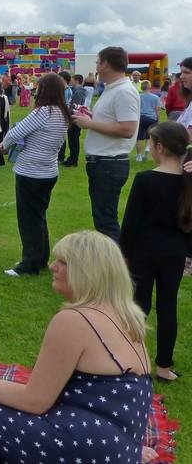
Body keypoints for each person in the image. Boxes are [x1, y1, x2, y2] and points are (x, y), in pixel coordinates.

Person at [0, 231, 152, 464]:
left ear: (86, 271)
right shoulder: (128, 319)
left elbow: (35, 401)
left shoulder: (74, 320)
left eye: (63, 262)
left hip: (86, 446)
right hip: (121, 450)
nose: (51, 266)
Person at [120, 121, 190, 383]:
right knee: (167, 305)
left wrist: (124, 253)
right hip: (174, 252)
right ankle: (163, 366)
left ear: (159, 147)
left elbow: (130, 222)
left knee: (139, 305)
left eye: (151, 144)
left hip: (144, 251)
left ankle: (133, 360)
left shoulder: (146, 180)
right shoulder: (186, 182)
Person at [0, 73, 71, 276]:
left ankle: (29, 263)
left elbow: (16, 132)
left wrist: (4, 145)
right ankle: (40, 258)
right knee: (39, 217)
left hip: (31, 171)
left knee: (28, 220)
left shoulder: (43, 112)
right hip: (48, 171)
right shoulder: (62, 113)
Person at [74, 47, 140, 241]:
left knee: (106, 222)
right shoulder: (112, 89)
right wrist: (91, 116)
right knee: (102, 218)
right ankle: (112, 265)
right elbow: (113, 120)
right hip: (102, 163)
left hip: (109, 163)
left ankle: (114, 266)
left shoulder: (123, 92)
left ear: (106, 64)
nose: (96, 67)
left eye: (97, 63)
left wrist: (90, 123)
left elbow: (127, 129)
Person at [62, 74, 88, 167]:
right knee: (72, 139)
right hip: (74, 117)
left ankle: (73, 160)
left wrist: (69, 115)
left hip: (75, 118)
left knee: (74, 139)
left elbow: (75, 106)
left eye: (72, 80)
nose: (70, 82)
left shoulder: (78, 92)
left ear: (77, 81)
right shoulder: (77, 91)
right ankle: (72, 158)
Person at [134, 81, 161, 162]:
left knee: (139, 138)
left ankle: (138, 156)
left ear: (142, 87)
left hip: (141, 117)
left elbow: (136, 108)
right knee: (149, 136)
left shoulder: (138, 96)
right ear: (150, 87)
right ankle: (147, 148)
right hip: (152, 118)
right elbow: (157, 110)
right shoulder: (156, 97)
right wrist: (157, 119)